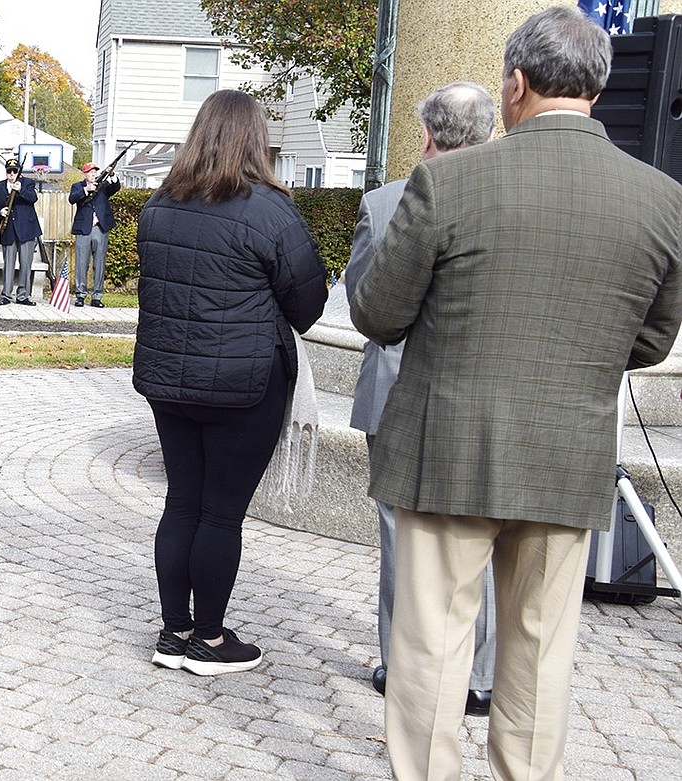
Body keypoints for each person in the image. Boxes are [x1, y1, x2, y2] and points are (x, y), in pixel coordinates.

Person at [350, 7, 682, 779]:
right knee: (538, 651)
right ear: (595, 88)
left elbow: (378, 313)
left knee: (431, 644)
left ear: (516, 85)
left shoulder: (448, 180)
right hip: (567, 453)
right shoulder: (662, 199)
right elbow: (653, 340)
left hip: (448, 450)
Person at [133, 90, 328, 676]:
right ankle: (211, 642)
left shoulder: (159, 206)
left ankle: (175, 631)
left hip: (170, 381)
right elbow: (309, 303)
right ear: (255, 140)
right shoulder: (270, 210)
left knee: (182, 502)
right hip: (243, 383)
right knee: (220, 513)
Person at [344, 82, 497, 716]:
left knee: (399, 538)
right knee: (480, 532)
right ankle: (479, 675)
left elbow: (361, 300)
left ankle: (400, 666)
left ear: (426, 136)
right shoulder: (509, 198)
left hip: (396, 385)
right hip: (482, 393)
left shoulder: (384, 203)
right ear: (488, 134)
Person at [0, 157, 41, 306]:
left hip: (27, 230)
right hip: (8, 230)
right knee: (8, 264)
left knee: (26, 264)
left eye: (14, 171)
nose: (12, 174)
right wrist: (0, 211)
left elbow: (33, 198)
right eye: (9, 171)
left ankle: (23, 295)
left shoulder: (28, 184)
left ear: (18, 172)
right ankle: (6, 295)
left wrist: (20, 190)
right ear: (6, 172)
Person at [69, 161, 121, 308]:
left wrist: (112, 175)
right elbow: (72, 198)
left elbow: (115, 187)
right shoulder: (78, 186)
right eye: (90, 172)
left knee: (99, 264)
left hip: (100, 228)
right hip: (83, 229)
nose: (93, 174)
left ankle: (97, 296)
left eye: (95, 172)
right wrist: (87, 189)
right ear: (84, 174)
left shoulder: (103, 186)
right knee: (81, 264)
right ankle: (80, 295)